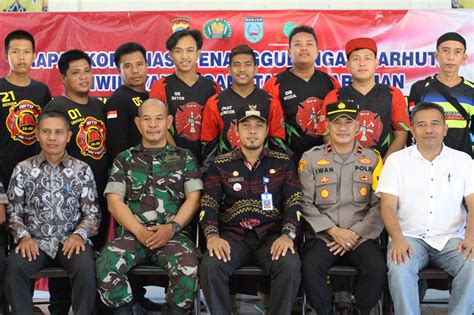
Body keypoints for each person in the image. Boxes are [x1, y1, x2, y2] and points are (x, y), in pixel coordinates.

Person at [96, 98, 202, 315]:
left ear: (169, 121)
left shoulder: (185, 158)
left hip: (174, 235)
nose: (153, 124)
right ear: (138, 123)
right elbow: (114, 202)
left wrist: (171, 228)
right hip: (134, 235)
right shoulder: (124, 159)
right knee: (106, 263)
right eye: (147, 119)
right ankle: (126, 310)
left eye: (159, 119)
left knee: (189, 266)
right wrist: (139, 231)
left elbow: (194, 198)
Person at [199, 103, 302, 315]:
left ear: (266, 131)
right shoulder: (220, 164)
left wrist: (287, 235)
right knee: (211, 265)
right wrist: (212, 237)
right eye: (246, 125)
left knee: (290, 264)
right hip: (232, 238)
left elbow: (294, 201)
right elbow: (208, 203)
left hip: (271, 238)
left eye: (258, 125)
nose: (252, 131)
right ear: (236, 130)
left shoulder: (283, 162)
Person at [377, 102, 474, 315]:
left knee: (473, 264)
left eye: (435, 124)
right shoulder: (396, 161)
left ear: (445, 129)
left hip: (451, 239)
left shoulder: (464, 161)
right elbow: (387, 206)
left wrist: (471, 237)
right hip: (408, 238)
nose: (428, 130)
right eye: (421, 124)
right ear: (412, 130)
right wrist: (397, 238)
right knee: (399, 265)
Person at [3, 110, 100, 315]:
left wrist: (78, 235)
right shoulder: (23, 169)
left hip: (70, 241)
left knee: (86, 270)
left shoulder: (82, 169)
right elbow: (13, 212)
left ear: (68, 136)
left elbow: (92, 214)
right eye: (46, 131)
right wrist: (23, 237)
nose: (52, 137)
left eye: (58, 132)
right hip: (35, 241)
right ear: (37, 134)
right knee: (13, 268)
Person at [299, 101, 385, 315]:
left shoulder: (374, 159)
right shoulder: (311, 158)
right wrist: (335, 232)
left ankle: (361, 311)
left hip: (361, 236)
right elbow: (304, 202)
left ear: (357, 126)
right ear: (327, 126)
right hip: (324, 236)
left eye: (349, 122)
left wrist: (354, 234)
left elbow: (379, 205)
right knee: (310, 266)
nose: (343, 128)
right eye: (337, 123)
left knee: (376, 267)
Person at [43, 49, 109, 314]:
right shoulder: (56, 107)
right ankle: (59, 306)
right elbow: (49, 150)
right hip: (65, 195)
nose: (83, 77)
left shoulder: (98, 106)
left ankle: (90, 306)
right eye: (75, 72)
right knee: (63, 251)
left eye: (87, 70)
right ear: (63, 78)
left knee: (92, 252)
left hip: (98, 193)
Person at [321, 37, 410, 160]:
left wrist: (384, 166)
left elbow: (401, 135)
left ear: (376, 63)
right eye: (356, 59)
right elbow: (327, 135)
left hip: (384, 169)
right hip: (345, 167)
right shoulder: (335, 96)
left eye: (367, 58)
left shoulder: (393, 94)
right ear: (347, 65)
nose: (362, 63)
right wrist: (346, 164)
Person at [201, 44, 285, 171]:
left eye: (247, 64)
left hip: (263, 173)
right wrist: (211, 176)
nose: (242, 69)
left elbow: (277, 144)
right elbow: (208, 146)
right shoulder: (215, 102)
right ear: (229, 69)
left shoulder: (270, 101)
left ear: (256, 69)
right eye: (236, 65)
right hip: (226, 174)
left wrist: (276, 174)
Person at [263, 25, 340, 165]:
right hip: (288, 163)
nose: (303, 48)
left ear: (317, 51)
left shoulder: (331, 83)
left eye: (309, 44)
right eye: (298, 44)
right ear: (289, 51)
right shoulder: (275, 84)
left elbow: (339, 124)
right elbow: (267, 128)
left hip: (327, 163)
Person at [150, 29, 221, 166]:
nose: (184, 56)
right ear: (170, 55)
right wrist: (178, 157)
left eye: (189, 50)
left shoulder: (213, 87)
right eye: (178, 51)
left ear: (198, 53)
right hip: (172, 162)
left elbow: (218, 127)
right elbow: (158, 125)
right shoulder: (161, 86)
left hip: (208, 163)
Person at [0, 29, 51, 190]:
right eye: (15, 52)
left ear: (34, 56)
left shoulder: (42, 90)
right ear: (5, 56)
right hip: (4, 171)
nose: (21, 57)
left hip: (36, 173)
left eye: (27, 52)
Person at [408, 32, 473, 157]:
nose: (451, 57)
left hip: (462, 160)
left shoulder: (472, 91)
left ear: (464, 58)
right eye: (445, 51)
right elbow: (412, 129)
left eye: (457, 52)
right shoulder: (420, 88)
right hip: (426, 160)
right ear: (437, 55)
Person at [106, 42, 149, 165]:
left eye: (139, 64)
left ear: (147, 65)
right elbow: (116, 148)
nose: (135, 71)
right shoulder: (118, 101)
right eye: (128, 66)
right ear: (119, 70)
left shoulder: (150, 96)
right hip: (134, 174)